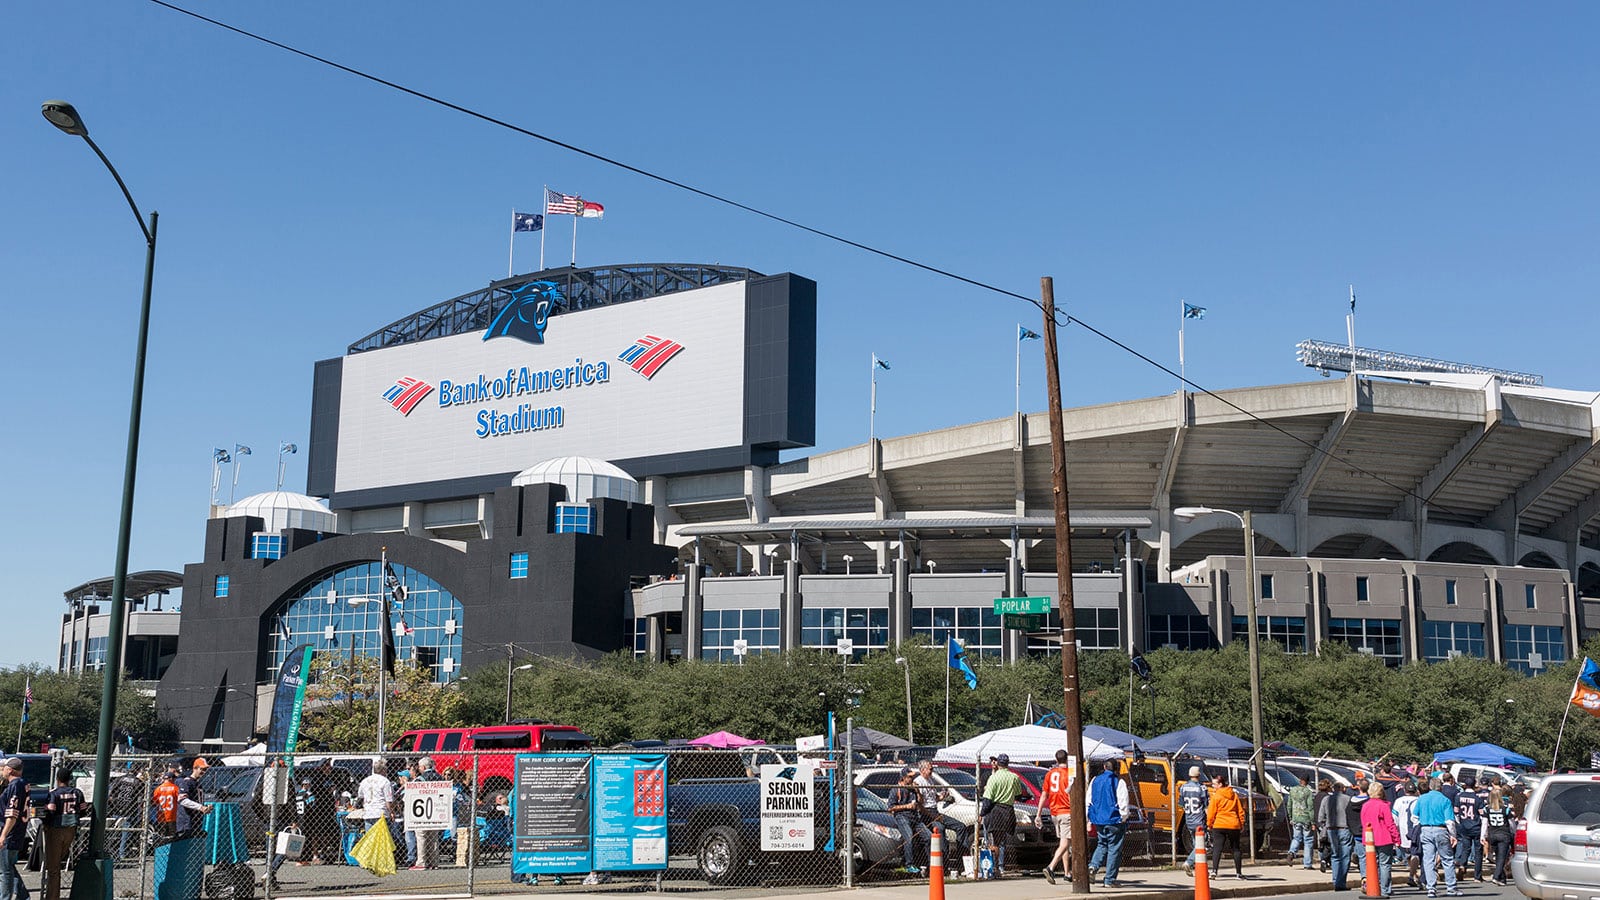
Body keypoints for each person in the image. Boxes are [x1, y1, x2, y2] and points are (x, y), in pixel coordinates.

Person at [912, 760, 966, 876]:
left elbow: (934, 798)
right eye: (930, 769)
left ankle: (961, 857)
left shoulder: (930, 780)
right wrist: (933, 816)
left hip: (936, 811)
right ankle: (944, 863)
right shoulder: (918, 782)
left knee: (961, 826)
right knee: (940, 830)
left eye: (932, 769)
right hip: (927, 813)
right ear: (922, 770)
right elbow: (920, 805)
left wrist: (941, 796)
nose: (932, 771)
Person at [1413, 777, 1462, 898]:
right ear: (1440, 787)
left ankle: (1431, 888)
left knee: (1428, 860)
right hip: (1441, 829)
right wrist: (1453, 835)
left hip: (1425, 829)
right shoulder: (1445, 800)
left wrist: (1422, 823)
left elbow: (1414, 817)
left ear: (1429, 786)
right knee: (1447, 859)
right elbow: (1450, 821)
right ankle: (1451, 887)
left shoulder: (1422, 799)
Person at [1085, 759, 1129, 887]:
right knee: (1114, 849)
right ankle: (1109, 879)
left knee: (1102, 843)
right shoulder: (1118, 782)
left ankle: (1093, 866)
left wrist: (1090, 817)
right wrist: (1123, 817)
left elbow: (1089, 799)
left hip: (1098, 819)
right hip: (1114, 819)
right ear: (1116, 768)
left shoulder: (1095, 780)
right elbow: (1123, 802)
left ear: (1104, 767)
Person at [41, 771, 84, 900]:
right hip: (71, 829)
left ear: (57, 778)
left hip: (56, 829)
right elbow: (83, 811)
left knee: (53, 868)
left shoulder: (54, 793)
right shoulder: (77, 793)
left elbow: (51, 811)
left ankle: (52, 897)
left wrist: (45, 823)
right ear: (70, 779)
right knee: (60, 859)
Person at [980, 754, 1024, 878]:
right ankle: (1000, 866)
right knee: (1002, 841)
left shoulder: (994, 778)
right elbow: (1018, 794)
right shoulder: (1014, 777)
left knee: (994, 841)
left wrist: (982, 813)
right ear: (1008, 764)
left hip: (996, 810)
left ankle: (995, 868)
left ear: (998, 764)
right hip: (1009, 811)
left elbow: (988, 799)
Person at [1360, 780, 1400, 899]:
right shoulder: (1383, 805)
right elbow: (1390, 824)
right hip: (1383, 837)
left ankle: (1373, 887)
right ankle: (1385, 889)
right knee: (1385, 864)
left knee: (1372, 864)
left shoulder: (1365, 805)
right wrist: (1396, 838)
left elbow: (1363, 822)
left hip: (1369, 838)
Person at [1040, 750, 1075, 883]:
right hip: (1066, 810)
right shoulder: (1069, 774)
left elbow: (1044, 794)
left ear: (1056, 759)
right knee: (1065, 843)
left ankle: (1067, 873)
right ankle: (1051, 866)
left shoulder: (1050, 774)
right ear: (1066, 759)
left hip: (1054, 811)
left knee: (1064, 842)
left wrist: (1039, 813)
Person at [0, 759, 31, 900]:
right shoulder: (23, 784)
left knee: (4, 871)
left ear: (10, 770)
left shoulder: (15, 784)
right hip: (17, 831)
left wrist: (3, 835)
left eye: (3, 768)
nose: (2, 771)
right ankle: (23, 896)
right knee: (9, 867)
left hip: (10, 832)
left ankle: (5, 897)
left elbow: (12, 813)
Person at [1317, 776, 1355, 891]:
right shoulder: (1348, 799)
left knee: (1335, 855)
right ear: (1343, 789)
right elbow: (1352, 816)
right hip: (1345, 828)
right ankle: (1340, 882)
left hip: (1331, 829)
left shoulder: (1326, 800)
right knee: (1345, 856)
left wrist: (1326, 824)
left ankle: (1335, 880)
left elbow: (1320, 817)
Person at [887, 768, 927, 875]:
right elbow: (890, 807)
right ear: (904, 778)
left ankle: (927, 863)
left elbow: (921, 802)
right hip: (902, 816)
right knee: (909, 838)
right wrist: (907, 806)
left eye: (912, 777)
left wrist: (918, 791)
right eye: (909, 777)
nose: (912, 779)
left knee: (929, 837)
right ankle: (909, 865)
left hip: (914, 817)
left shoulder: (913, 788)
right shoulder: (896, 789)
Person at [1205, 773, 1245, 879]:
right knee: (1236, 848)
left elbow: (1211, 812)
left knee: (1217, 848)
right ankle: (1239, 873)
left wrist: (1209, 824)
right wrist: (1241, 823)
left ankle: (1214, 871)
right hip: (1233, 824)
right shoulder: (1234, 795)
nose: (1213, 786)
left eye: (1214, 784)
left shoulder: (1216, 796)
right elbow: (1240, 811)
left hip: (1219, 824)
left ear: (1220, 784)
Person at [407, 757, 444, 870]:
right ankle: (434, 862)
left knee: (421, 836)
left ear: (423, 767)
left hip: (422, 812)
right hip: (437, 810)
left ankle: (421, 862)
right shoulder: (440, 778)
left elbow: (412, 794)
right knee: (433, 837)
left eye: (419, 766)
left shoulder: (420, 779)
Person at [1178, 765, 1209, 875]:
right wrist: (1210, 821)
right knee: (1201, 846)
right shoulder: (1202, 788)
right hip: (1199, 820)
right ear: (1199, 775)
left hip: (1189, 819)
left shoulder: (1183, 787)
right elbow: (1206, 806)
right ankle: (1189, 862)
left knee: (1196, 844)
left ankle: (1199, 867)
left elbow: (1181, 804)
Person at [1391, 778, 1422, 889]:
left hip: (1403, 832)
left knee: (1410, 855)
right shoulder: (1419, 800)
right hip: (1416, 832)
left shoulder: (1399, 801)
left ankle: (1414, 876)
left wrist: (1395, 832)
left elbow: (1394, 818)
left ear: (1405, 790)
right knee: (1416, 855)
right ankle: (1413, 876)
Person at [1481, 785, 1514, 886]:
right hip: (1503, 835)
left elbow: (1484, 823)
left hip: (1492, 834)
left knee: (1499, 856)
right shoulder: (1505, 809)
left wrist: (1482, 835)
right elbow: (1512, 823)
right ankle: (1496, 876)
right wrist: (1514, 833)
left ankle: (1502, 878)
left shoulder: (1487, 809)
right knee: (1502, 858)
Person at [1285, 771, 1316, 870]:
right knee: (1308, 841)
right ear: (1307, 782)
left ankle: (1291, 852)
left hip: (1296, 818)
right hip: (1306, 818)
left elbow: (1289, 805)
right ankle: (1307, 864)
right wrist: (1313, 822)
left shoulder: (1292, 791)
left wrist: (1290, 817)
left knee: (1296, 838)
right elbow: (1310, 808)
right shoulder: (1308, 792)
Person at [357, 759, 395, 833]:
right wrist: (391, 812)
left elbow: (360, 796)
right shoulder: (385, 781)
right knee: (382, 838)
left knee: (370, 838)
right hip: (381, 813)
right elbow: (388, 800)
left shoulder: (365, 781)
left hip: (368, 813)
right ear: (383, 770)